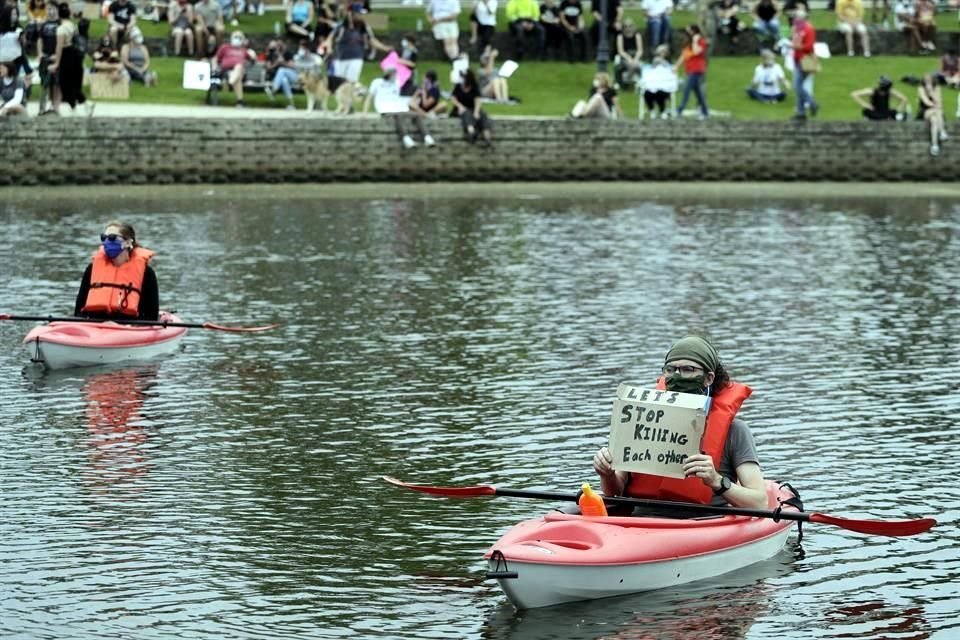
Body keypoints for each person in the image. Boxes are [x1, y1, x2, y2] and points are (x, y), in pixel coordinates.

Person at [592, 336, 769, 511]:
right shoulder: (641, 420)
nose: (677, 376)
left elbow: (760, 503)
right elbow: (615, 492)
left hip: (703, 525)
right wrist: (607, 474)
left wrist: (716, 481)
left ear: (709, 378)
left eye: (688, 369)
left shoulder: (735, 431)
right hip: (641, 524)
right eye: (670, 369)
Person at [74, 221, 160, 322]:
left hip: (130, 327)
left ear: (128, 242)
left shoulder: (147, 273)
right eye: (104, 238)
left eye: (112, 238)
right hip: (94, 325)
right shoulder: (91, 269)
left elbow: (152, 315)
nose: (106, 242)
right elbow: (78, 310)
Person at [364, 66, 436, 149]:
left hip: (396, 107)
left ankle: (427, 137)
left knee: (416, 115)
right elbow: (369, 97)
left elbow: (396, 97)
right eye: (394, 75)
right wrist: (364, 113)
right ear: (390, 75)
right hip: (384, 108)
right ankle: (406, 139)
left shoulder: (396, 83)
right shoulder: (376, 82)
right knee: (399, 116)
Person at [212, 29, 255, 107]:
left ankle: (230, 83)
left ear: (243, 40)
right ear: (231, 38)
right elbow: (215, 59)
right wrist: (214, 67)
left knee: (239, 67)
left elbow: (253, 60)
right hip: (226, 71)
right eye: (235, 37)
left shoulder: (244, 50)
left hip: (238, 72)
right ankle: (240, 102)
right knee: (238, 77)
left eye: (239, 37)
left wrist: (252, 53)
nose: (237, 39)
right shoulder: (225, 47)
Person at [675, 24, 708, 119]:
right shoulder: (688, 43)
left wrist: (695, 41)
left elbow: (697, 51)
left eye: (689, 31)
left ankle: (680, 110)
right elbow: (684, 55)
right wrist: (677, 66)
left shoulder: (701, 42)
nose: (687, 33)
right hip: (690, 70)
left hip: (697, 70)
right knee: (698, 93)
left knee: (686, 89)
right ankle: (705, 112)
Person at [790, 7, 818, 120]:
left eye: (796, 17)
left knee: (797, 86)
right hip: (798, 59)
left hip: (805, 60)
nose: (794, 19)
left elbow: (809, 46)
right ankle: (801, 112)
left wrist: (797, 46)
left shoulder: (808, 29)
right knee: (799, 85)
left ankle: (812, 103)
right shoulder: (797, 28)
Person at [451, 68, 492, 145]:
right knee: (467, 114)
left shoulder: (474, 86)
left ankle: (487, 137)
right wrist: (460, 106)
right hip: (461, 109)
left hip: (473, 108)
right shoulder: (458, 86)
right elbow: (453, 98)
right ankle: (471, 132)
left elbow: (477, 100)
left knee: (482, 115)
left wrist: (476, 112)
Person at [640, 43, 677, 118]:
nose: (662, 53)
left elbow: (671, 71)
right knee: (647, 93)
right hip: (653, 83)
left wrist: (663, 62)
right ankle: (652, 110)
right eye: (660, 51)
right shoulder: (654, 61)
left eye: (663, 51)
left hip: (664, 84)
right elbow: (649, 71)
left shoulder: (669, 62)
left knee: (660, 92)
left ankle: (662, 111)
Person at [917, 72, 946, 156]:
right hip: (925, 111)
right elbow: (926, 102)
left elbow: (940, 102)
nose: (928, 82)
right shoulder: (921, 88)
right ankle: (942, 132)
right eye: (926, 81)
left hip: (936, 113)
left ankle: (934, 145)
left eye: (929, 80)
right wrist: (935, 105)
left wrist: (931, 92)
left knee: (934, 120)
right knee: (938, 111)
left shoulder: (937, 88)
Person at [614, 17, 642, 88]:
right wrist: (629, 58)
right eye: (626, 26)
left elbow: (640, 50)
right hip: (624, 57)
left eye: (630, 26)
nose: (628, 28)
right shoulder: (620, 37)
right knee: (631, 65)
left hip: (635, 57)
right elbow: (620, 51)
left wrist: (635, 59)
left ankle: (627, 80)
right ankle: (628, 81)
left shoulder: (637, 36)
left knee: (636, 65)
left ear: (633, 27)